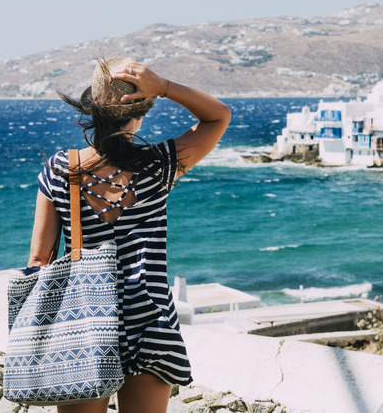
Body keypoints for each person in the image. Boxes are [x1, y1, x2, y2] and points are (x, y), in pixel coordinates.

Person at [26, 57, 231, 413]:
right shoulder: (160, 165)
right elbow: (218, 116)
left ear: (92, 112)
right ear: (141, 113)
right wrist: (163, 86)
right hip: (150, 321)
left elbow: (39, 260)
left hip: (83, 327)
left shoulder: (60, 170)